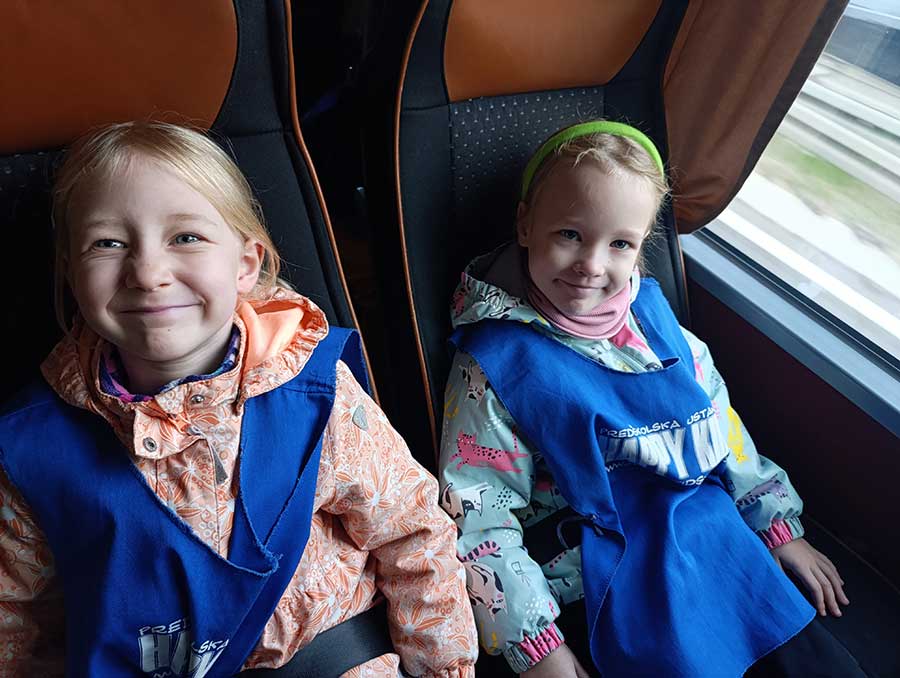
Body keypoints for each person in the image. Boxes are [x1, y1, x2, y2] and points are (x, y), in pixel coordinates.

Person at [0, 120, 477, 677]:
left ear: (246, 265)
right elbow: (17, 620)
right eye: (108, 243)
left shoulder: (314, 396)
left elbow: (413, 535)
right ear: (71, 273)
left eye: (186, 237)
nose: (148, 273)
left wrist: (444, 669)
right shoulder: (32, 445)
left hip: (325, 661)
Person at [439, 121, 856, 677]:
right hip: (594, 562)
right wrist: (537, 648)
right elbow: (479, 519)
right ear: (525, 224)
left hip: (704, 527)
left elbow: (720, 429)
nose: (592, 265)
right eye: (569, 234)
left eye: (620, 244)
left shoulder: (658, 324)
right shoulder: (493, 366)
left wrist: (774, 525)